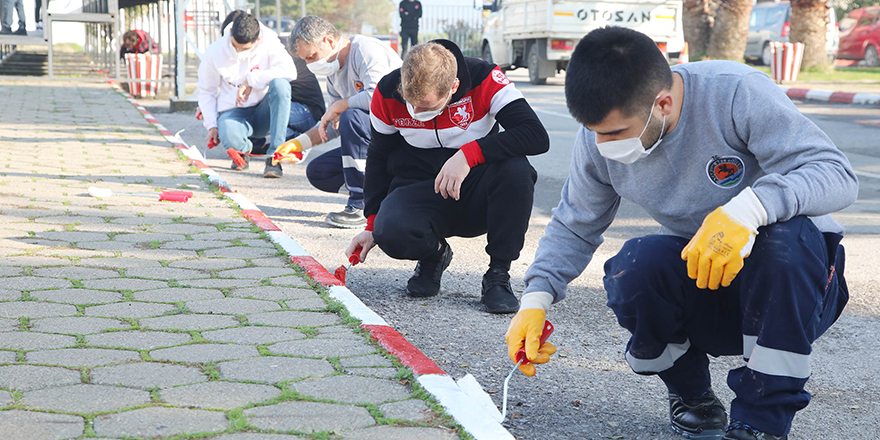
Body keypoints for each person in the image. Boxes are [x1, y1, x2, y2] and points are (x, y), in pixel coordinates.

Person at [505, 27, 858, 440]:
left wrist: (750, 209)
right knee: (634, 269)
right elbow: (574, 223)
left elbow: (836, 175)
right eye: (595, 132)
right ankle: (692, 396)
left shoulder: (735, 94)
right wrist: (535, 300)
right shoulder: (600, 135)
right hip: (710, 276)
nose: (603, 145)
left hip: (798, 288)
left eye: (615, 133)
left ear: (664, 103)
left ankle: (760, 424)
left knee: (785, 242)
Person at [344, 40, 548, 313]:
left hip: (477, 190)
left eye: (426, 108)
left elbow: (535, 135)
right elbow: (379, 158)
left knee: (517, 170)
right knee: (388, 231)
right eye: (410, 103)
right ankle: (434, 255)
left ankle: (498, 275)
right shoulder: (386, 90)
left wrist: (468, 155)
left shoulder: (484, 77)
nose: (416, 113)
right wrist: (371, 223)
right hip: (420, 187)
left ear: (453, 87)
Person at [284, 15, 401, 228]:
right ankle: (384, 193)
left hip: (399, 138)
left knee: (351, 114)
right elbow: (336, 123)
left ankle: (361, 204)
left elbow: (380, 97)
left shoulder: (366, 51)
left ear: (329, 41)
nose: (310, 65)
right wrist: (299, 144)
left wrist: (341, 105)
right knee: (318, 172)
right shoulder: (333, 69)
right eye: (306, 60)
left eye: (312, 56)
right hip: (375, 146)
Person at [216, 10, 325, 178]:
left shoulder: (275, 49)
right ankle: (256, 145)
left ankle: (281, 151)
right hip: (285, 104)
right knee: (248, 114)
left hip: (306, 110)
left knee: (273, 113)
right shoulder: (246, 52)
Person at [197, 12, 295, 177]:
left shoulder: (270, 42)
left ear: (258, 40)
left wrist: (251, 80)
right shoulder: (214, 51)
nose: (239, 52)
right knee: (227, 131)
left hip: (264, 110)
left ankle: (274, 156)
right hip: (234, 111)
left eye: (245, 48)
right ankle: (243, 151)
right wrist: (212, 125)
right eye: (235, 46)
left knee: (281, 85)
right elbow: (207, 90)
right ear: (230, 34)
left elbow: (290, 71)